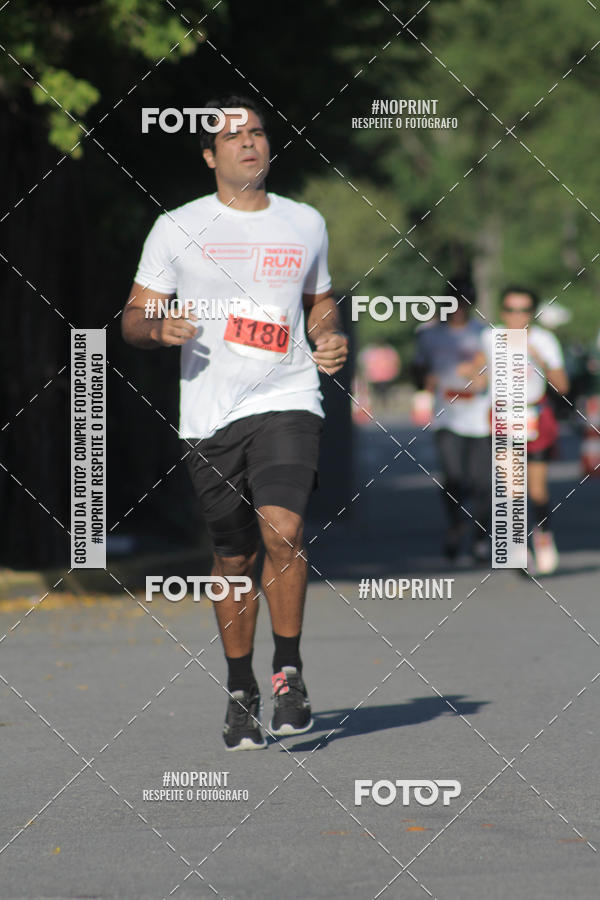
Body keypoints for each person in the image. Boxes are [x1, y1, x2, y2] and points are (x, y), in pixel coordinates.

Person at [121, 95, 348, 750]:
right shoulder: (177, 227)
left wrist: (328, 335)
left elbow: (320, 303)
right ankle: (240, 688)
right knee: (234, 553)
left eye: (257, 132)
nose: (248, 142)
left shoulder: (305, 222)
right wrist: (160, 327)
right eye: (233, 136)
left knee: (285, 529)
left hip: (287, 397)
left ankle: (289, 672)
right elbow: (131, 318)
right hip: (209, 415)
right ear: (210, 155)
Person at [487, 288, 569, 574]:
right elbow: (473, 368)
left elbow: (563, 386)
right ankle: (519, 547)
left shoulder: (544, 340)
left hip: (535, 416)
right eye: (511, 310)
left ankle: (544, 536)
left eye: (523, 310)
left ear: (531, 314)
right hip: (503, 417)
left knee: (536, 490)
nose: (516, 316)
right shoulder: (491, 337)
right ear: (502, 312)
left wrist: (538, 358)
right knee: (512, 489)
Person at [412, 280, 491, 562]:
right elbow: (419, 372)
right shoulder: (430, 335)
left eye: (465, 301)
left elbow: (498, 372)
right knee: (454, 477)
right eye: (454, 301)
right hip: (447, 416)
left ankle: (481, 535)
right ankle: (456, 524)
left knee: (482, 481)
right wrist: (426, 379)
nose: (459, 308)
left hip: (481, 417)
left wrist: (480, 375)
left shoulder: (484, 334)